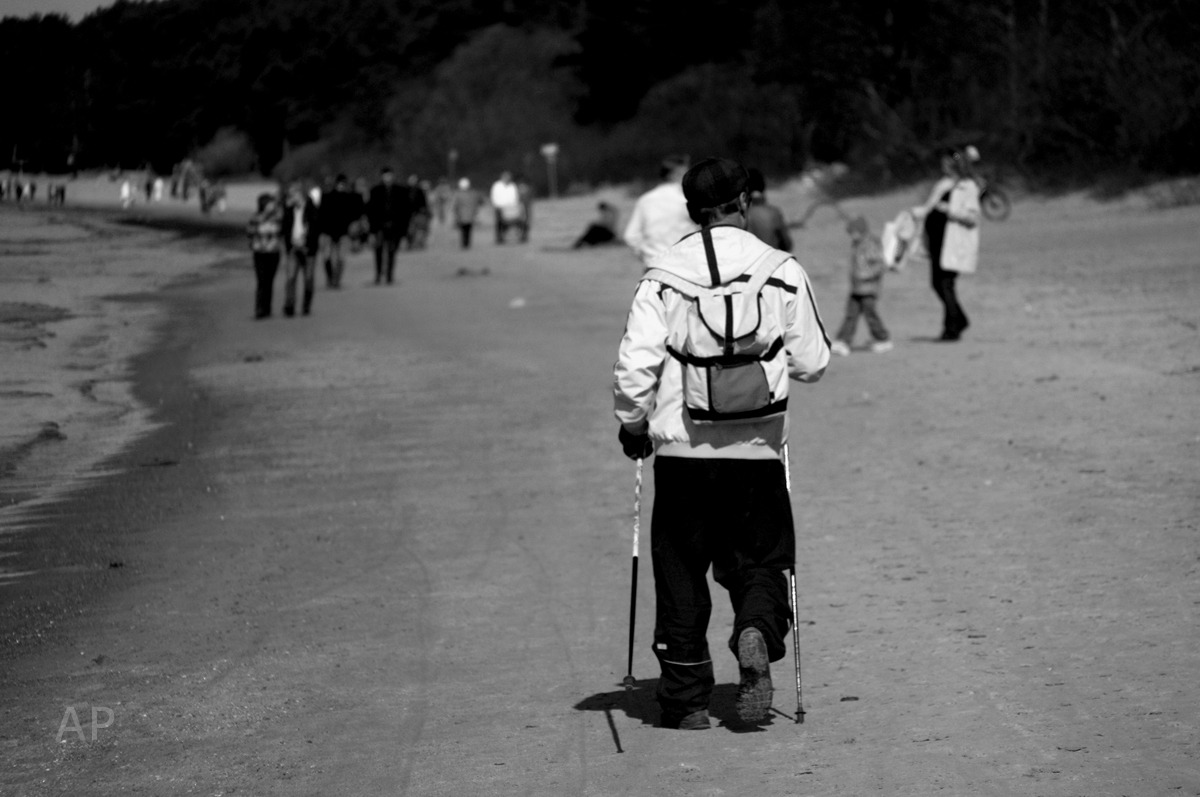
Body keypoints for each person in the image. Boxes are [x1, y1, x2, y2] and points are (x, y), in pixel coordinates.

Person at [612, 157, 830, 730]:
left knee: (681, 570)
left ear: (691, 211)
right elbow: (813, 362)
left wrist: (633, 427)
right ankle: (755, 628)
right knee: (759, 561)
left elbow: (635, 370)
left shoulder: (661, 275)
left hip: (682, 454)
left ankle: (685, 701)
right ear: (745, 202)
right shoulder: (780, 267)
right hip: (756, 451)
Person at [912, 149, 980, 340]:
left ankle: (952, 327)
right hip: (935, 241)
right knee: (938, 283)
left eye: (946, 163)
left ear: (954, 164)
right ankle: (958, 320)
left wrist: (949, 210)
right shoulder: (942, 184)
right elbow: (928, 208)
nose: (942, 166)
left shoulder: (968, 187)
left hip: (952, 243)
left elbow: (973, 218)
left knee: (945, 283)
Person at [830, 216, 892, 355]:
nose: (852, 235)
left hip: (868, 289)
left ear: (861, 231)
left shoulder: (870, 244)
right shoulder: (857, 244)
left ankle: (882, 339)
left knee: (871, 315)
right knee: (850, 315)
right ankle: (843, 341)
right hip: (857, 289)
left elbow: (880, 265)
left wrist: (866, 275)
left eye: (853, 232)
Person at [623, 155, 697, 267]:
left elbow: (630, 236)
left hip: (653, 265)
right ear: (676, 174)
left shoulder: (645, 199)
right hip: (683, 265)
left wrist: (646, 255)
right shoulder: (685, 200)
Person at [318, 173, 364, 289]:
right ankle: (330, 277)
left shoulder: (350, 198)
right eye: (340, 184)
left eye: (343, 184)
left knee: (341, 258)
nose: (341, 186)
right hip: (328, 231)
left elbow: (357, 213)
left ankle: (336, 280)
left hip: (344, 232)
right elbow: (321, 215)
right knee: (327, 256)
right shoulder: (327, 197)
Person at [281, 182, 321, 316]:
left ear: (300, 195)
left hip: (308, 249)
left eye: (293, 195)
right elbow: (284, 229)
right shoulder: (288, 210)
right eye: (290, 195)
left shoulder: (311, 208)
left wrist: (308, 244)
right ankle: (289, 306)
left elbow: (316, 229)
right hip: (293, 248)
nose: (291, 198)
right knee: (290, 278)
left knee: (308, 279)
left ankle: (306, 306)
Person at [367, 167, 411, 284]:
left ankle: (389, 275)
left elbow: (405, 212)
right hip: (379, 226)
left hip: (394, 226)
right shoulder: (375, 191)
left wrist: (404, 230)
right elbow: (371, 211)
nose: (388, 178)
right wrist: (372, 229)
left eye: (389, 175)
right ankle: (378, 274)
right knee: (379, 251)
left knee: (392, 251)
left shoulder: (401, 191)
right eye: (386, 176)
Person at [246, 192, 283, 319]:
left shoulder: (277, 217)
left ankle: (267, 308)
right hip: (260, 253)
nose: (272, 205)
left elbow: (282, 230)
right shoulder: (255, 217)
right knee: (261, 280)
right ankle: (259, 308)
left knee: (269, 281)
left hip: (273, 252)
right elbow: (249, 232)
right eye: (270, 203)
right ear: (264, 204)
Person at [744, 168, 792, 252]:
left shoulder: (742, 215)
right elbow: (787, 244)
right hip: (773, 260)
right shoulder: (774, 213)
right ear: (763, 186)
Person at [451, 177, 485, 249]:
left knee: (463, 230)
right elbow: (480, 202)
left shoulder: (458, 194)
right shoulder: (473, 193)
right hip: (470, 215)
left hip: (462, 215)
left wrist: (455, 214)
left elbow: (454, 205)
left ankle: (464, 243)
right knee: (468, 230)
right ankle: (467, 243)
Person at [489, 171, 521, 244]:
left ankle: (506, 236)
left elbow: (515, 196)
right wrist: (497, 205)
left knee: (509, 223)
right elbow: (494, 196)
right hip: (499, 207)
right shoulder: (497, 185)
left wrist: (514, 205)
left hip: (510, 208)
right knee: (499, 223)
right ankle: (499, 238)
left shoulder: (512, 186)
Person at [405, 175, 431, 249]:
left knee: (420, 229)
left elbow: (424, 202)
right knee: (410, 230)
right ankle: (410, 243)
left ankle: (419, 243)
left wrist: (424, 210)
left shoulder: (419, 191)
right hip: (408, 213)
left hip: (418, 213)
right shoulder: (405, 190)